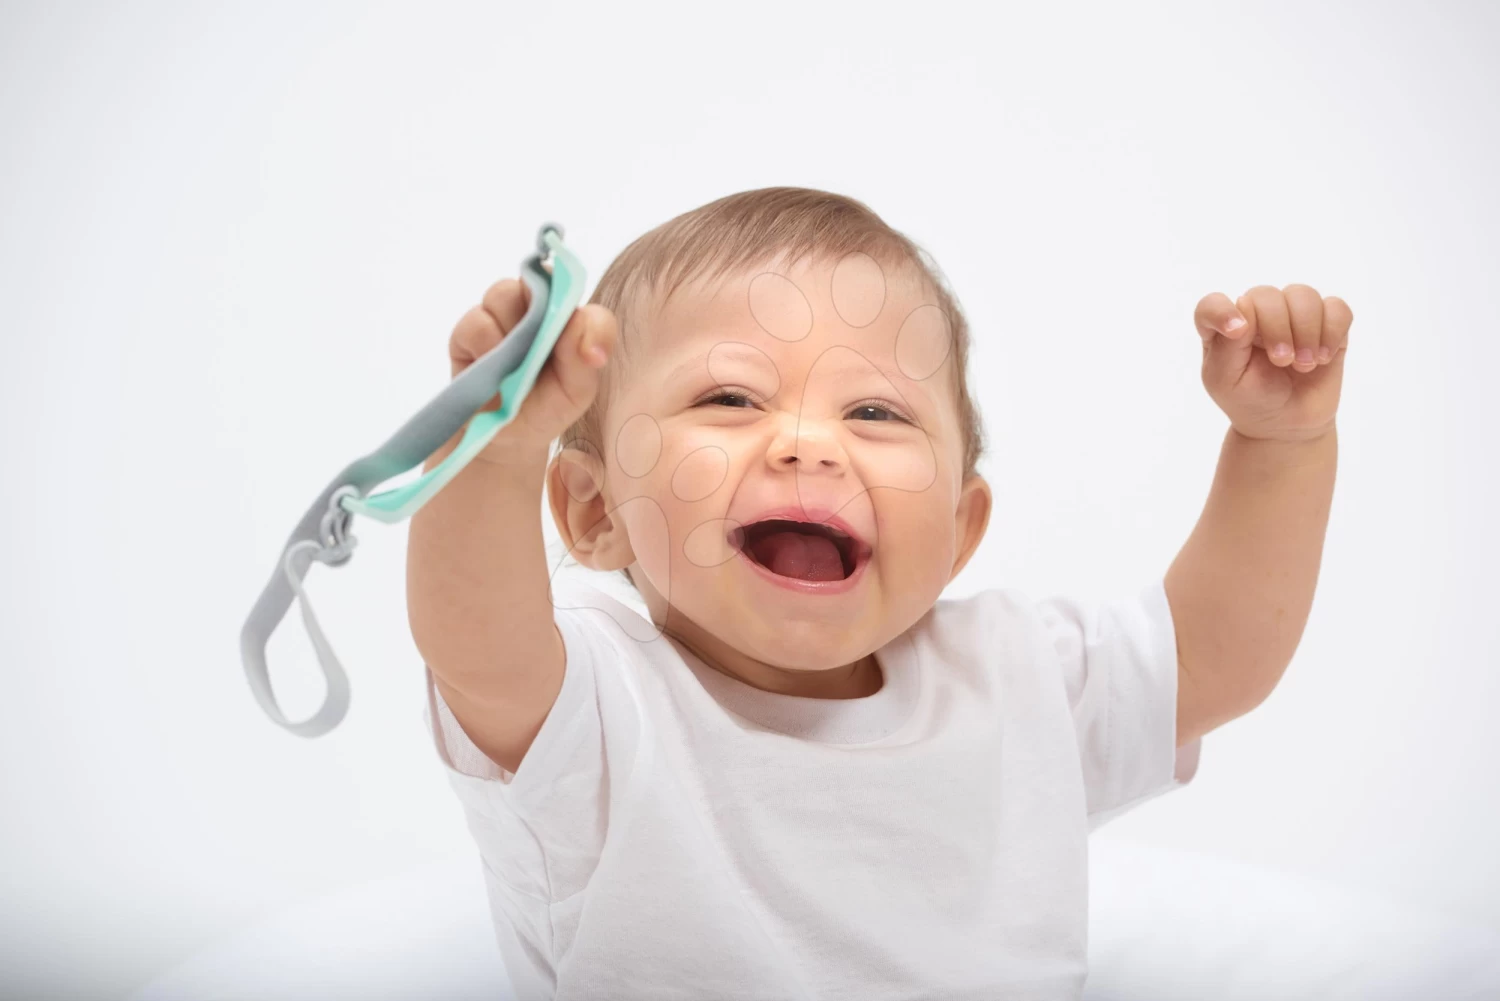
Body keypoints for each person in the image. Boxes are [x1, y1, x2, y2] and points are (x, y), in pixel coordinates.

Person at [405, 186, 1348, 1000]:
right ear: (594, 509)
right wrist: (493, 455)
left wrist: (1279, 446)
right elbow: (477, 646)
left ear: (959, 531)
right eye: (731, 399)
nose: (809, 443)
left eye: (874, 411)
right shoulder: (598, 712)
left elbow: (1211, 656)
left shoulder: (1014, 676)